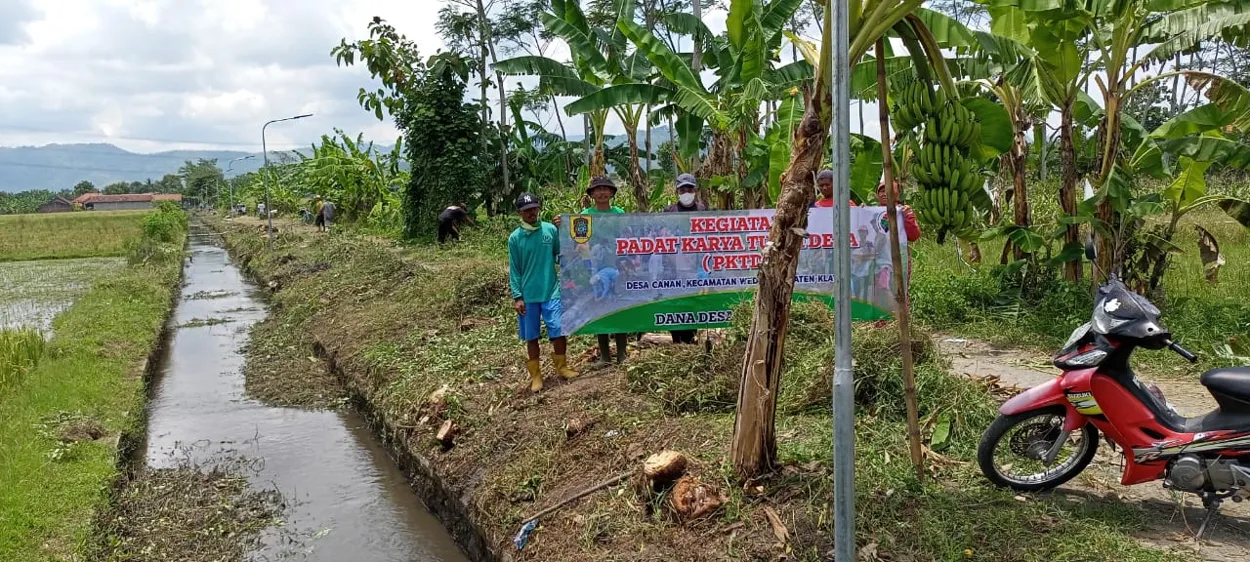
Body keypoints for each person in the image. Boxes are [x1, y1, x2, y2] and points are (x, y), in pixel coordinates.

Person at [554, 176, 628, 364]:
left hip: (615, 262)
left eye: (606, 189)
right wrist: (561, 225)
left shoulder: (620, 213)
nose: (602, 192)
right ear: (592, 194)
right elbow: (576, 239)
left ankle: (622, 354)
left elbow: (626, 235)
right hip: (593, 264)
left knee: (619, 306)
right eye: (598, 189)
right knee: (599, 306)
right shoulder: (584, 214)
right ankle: (604, 355)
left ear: (611, 193)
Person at [509, 192, 578, 392]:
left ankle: (562, 367)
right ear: (520, 213)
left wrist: (572, 257)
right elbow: (515, 269)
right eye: (527, 210)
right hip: (528, 294)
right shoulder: (515, 238)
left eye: (534, 209)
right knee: (531, 337)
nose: (532, 213)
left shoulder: (549, 230)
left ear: (538, 208)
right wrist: (517, 296)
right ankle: (536, 376)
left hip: (551, 290)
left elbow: (558, 254)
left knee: (558, 330)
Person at [663, 173, 706, 344]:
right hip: (674, 265)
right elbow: (663, 238)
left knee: (692, 302)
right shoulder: (668, 212)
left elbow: (710, 236)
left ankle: (690, 338)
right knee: (675, 303)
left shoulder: (703, 210)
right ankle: (676, 340)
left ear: (695, 190)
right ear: (677, 191)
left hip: (695, 265)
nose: (686, 191)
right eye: (683, 189)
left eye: (689, 188)